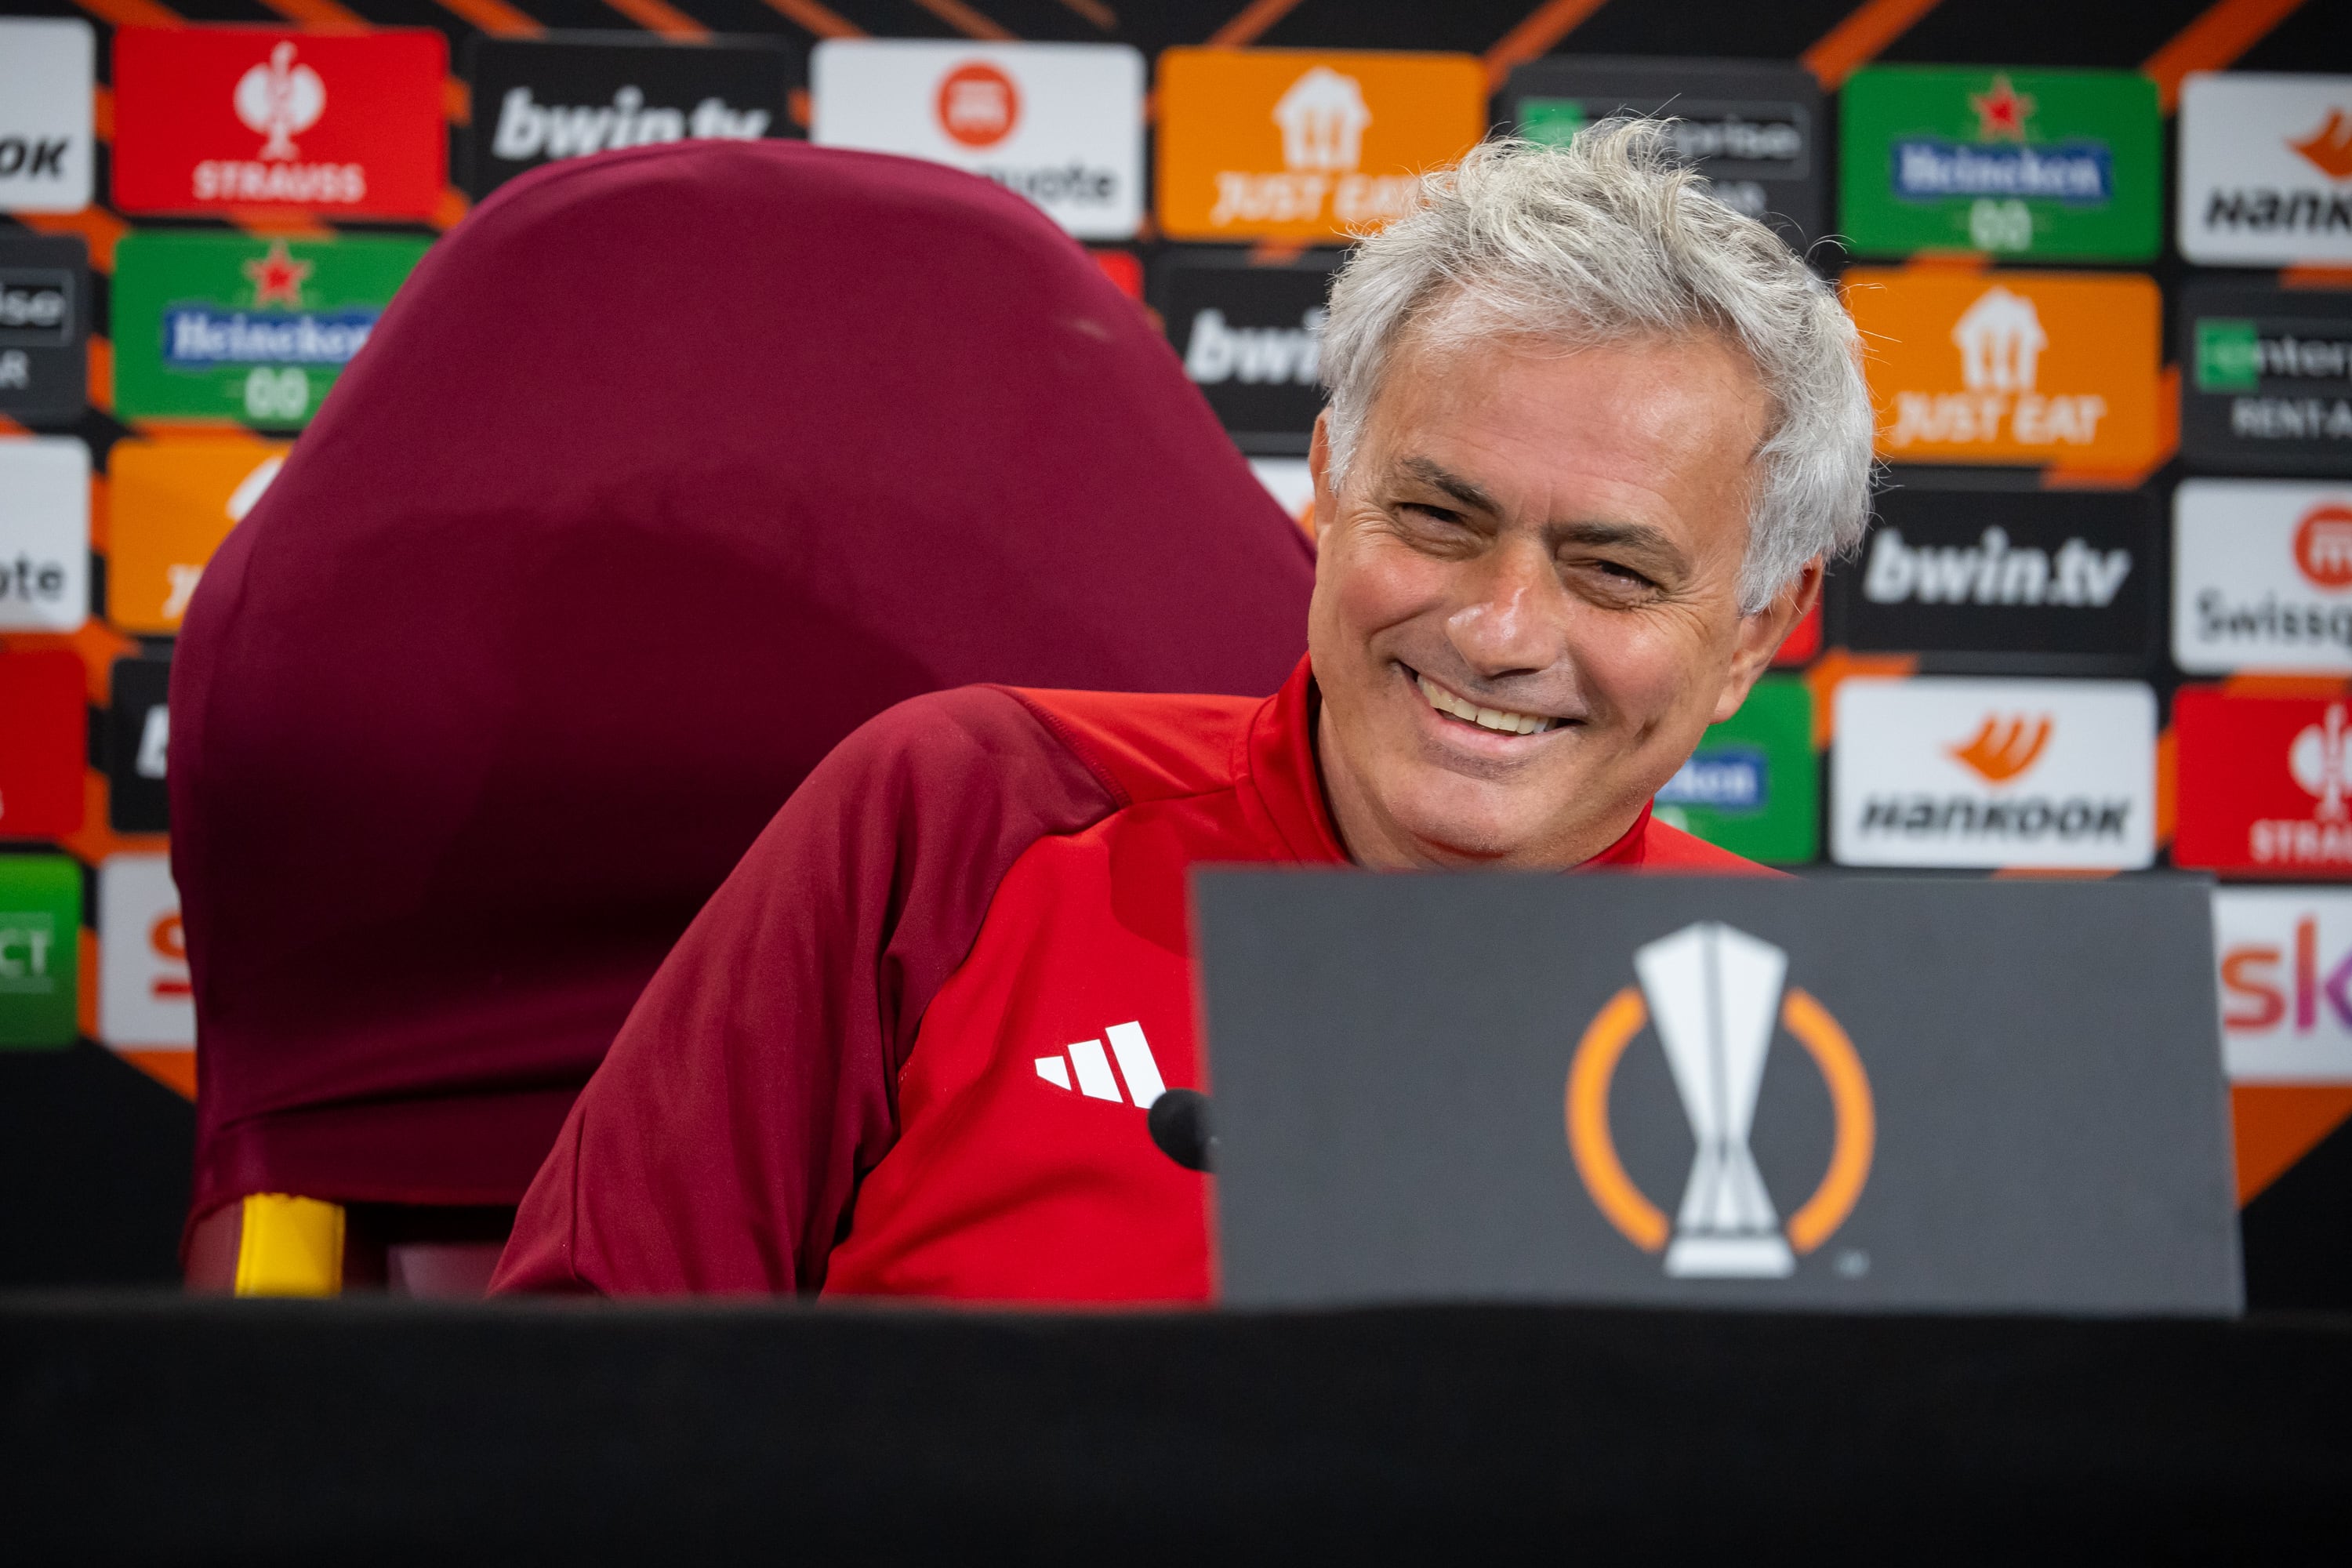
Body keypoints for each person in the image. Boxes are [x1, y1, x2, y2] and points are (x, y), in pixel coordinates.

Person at [492, 122, 1876, 1300]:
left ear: (1759, 627)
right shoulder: (960, 816)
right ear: (1330, 486)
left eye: (1615, 569)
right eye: (1438, 517)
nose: (1501, 630)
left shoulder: (1839, 1022)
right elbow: (571, 1389)